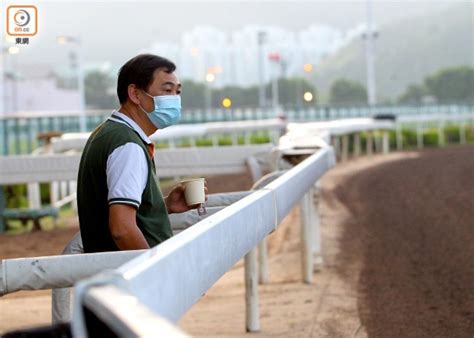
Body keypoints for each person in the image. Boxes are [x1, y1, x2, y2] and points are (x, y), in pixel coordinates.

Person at [77, 54, 206, 253]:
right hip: (127, 276)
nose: (175, 100)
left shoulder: (108, 133)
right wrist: (152, 269)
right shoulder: (127, 146)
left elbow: (115, 211)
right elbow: (122, 228)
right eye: (167, 90)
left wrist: (164, 206)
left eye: (177, 92)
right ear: (136, 94)